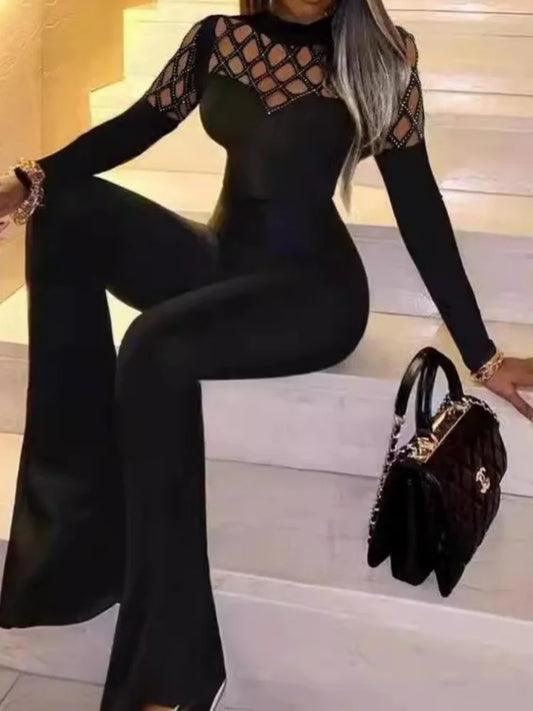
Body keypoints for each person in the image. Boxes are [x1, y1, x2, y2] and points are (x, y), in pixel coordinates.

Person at [0, 0, 532, 709]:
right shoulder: (217, 39)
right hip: (221, 258)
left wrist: (482, 354)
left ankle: (172, 669)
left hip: (313, 294)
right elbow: (135, 126)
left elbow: (418, 207)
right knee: (61, 210)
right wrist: (30, 179)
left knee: (154, 346)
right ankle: (75, 552)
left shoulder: (380, 60)